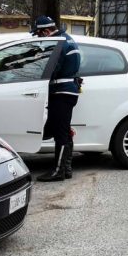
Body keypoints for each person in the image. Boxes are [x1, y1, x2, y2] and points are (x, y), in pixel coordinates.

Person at [32, 15, 82, 182]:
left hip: (62, 92)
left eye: (39, 34)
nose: (39, 38)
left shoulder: (58, 44)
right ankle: (66, 168)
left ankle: (58, 171)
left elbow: (51, 69)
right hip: (67, 91)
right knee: (64, 130)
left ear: (46, 31)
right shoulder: (67, 39)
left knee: (60, 132)